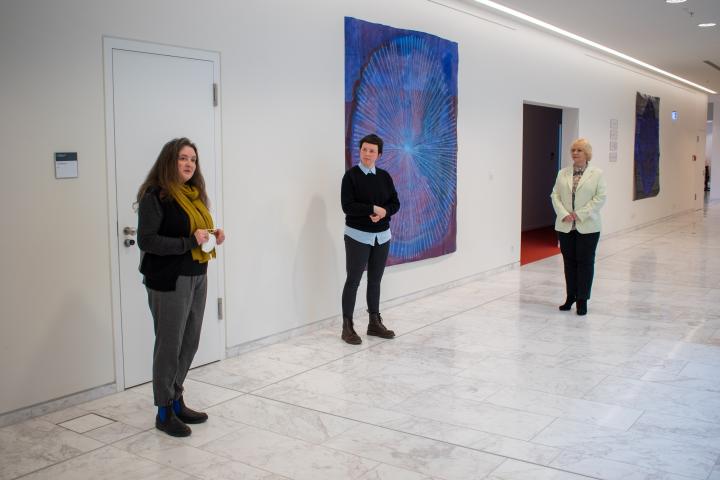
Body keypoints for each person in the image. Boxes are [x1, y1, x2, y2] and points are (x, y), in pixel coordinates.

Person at [136, 137, 225, 437]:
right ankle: (163, 411)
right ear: (169, 161)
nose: (189, 164)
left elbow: (195, 233)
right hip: (169, 279)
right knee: (169, 345)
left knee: (189, 341)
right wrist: (191, 241)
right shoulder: (155, 196)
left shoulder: (194, 193)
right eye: (182, 158)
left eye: (193, 159)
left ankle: (176, 399)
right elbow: (147, 241)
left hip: (198, 274)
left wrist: (212, 235)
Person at [340, 133, 400, 344]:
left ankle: (374, 322)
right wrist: (372, 209)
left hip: (382, 236)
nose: (367, 153)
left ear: (379, 154)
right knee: (353, 280)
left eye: (372, 151)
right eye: (364, 149)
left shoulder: (384, 176)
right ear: (360, 151)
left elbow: (395, 202)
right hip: (357, 236)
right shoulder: (351, 176)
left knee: (375, 281)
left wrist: (385, 211)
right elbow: (348, 206)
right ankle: (347, 326)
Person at [550, 138, 607, 316]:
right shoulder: (563, 173)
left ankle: (582, 300)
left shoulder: (596, 174)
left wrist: (579, 214)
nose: (575, 153)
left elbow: (600, 198)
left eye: (579, 150)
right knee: (569, 263)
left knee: (585, 263)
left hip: (588, 226)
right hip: (566, 225)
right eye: (573, 150)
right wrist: (563, 213)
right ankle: (570, 297)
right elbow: (555, 195)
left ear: (587, 153)